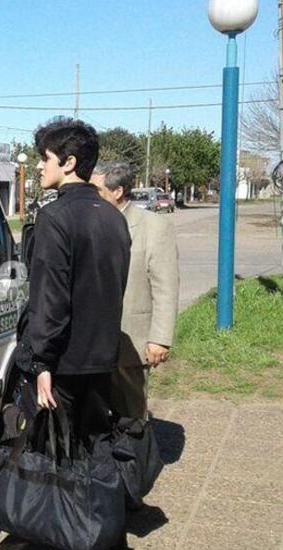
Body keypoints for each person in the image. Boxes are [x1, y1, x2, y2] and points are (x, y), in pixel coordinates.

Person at [19, 118, 130, 449]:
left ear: (68, 163)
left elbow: (50, 299)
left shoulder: (54, 217)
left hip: (63, 364)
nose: (39, 166)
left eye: (45, 157)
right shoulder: (114, 217)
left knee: (57, 459)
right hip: (102, 357)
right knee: (95, 449)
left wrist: (41, 363)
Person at [91, 162, 179, 421]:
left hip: (131, 340)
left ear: (117, 191)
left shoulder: (154, 227)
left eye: (95, 188)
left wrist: (159, 338)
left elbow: (165, 286)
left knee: (131, 415)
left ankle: (137, 458)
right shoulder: (90, 222)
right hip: (92, 343)